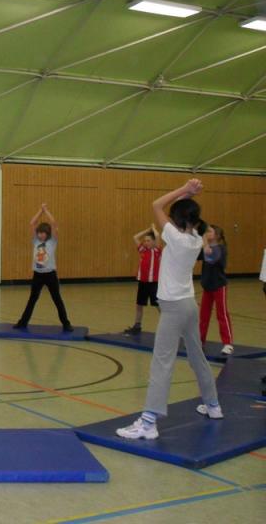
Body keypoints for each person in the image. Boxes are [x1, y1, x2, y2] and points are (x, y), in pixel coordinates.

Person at [116, 179, 221, 441]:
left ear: (177, 220)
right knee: (197, 356)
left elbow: (156, 204)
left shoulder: (175, 237)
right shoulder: (195, 238)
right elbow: (184, 214)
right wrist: (190, 195)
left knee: (161, 363)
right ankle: (213, 405)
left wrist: (185, 189)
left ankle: (149, 422)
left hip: (174, 309)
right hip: (189, 306)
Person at [15, 204, 72, 332]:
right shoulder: (35, 241)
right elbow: (32, 223)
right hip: (38, 275)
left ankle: (66, 323)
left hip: (50, 274)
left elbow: (54, 223)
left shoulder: (52, 242)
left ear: (47, 234)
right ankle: (23, 322)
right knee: (32, 299)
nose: (40, 235)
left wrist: (46, 211)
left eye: (43, 233)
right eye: (39, 233)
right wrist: (40, 211)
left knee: (57, 299)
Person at [198, 225, 234, 356]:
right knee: (203, 315)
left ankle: (228, 343)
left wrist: (204, 242)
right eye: (206, 232)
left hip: (219, 286)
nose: (206, 233)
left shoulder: (221, 249)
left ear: (217, 235)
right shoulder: (205, 248)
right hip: (207, 286)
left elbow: (211, 257)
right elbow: (197, 255)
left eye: (209, 232)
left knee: (222, 314)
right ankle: (200, 340)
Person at [123, 225, 161, 336]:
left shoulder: (157, 250)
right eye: (145, 241)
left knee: (158, 305)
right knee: (139, 305)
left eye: (149, 241)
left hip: (153, 283)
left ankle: (168, 325)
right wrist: (147, 230)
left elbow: (158, 236)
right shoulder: (143, 250)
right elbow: (135, 237)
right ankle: (137, 325)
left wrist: (153, 229)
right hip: (143, 282)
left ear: (154, 242)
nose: (146, 243)